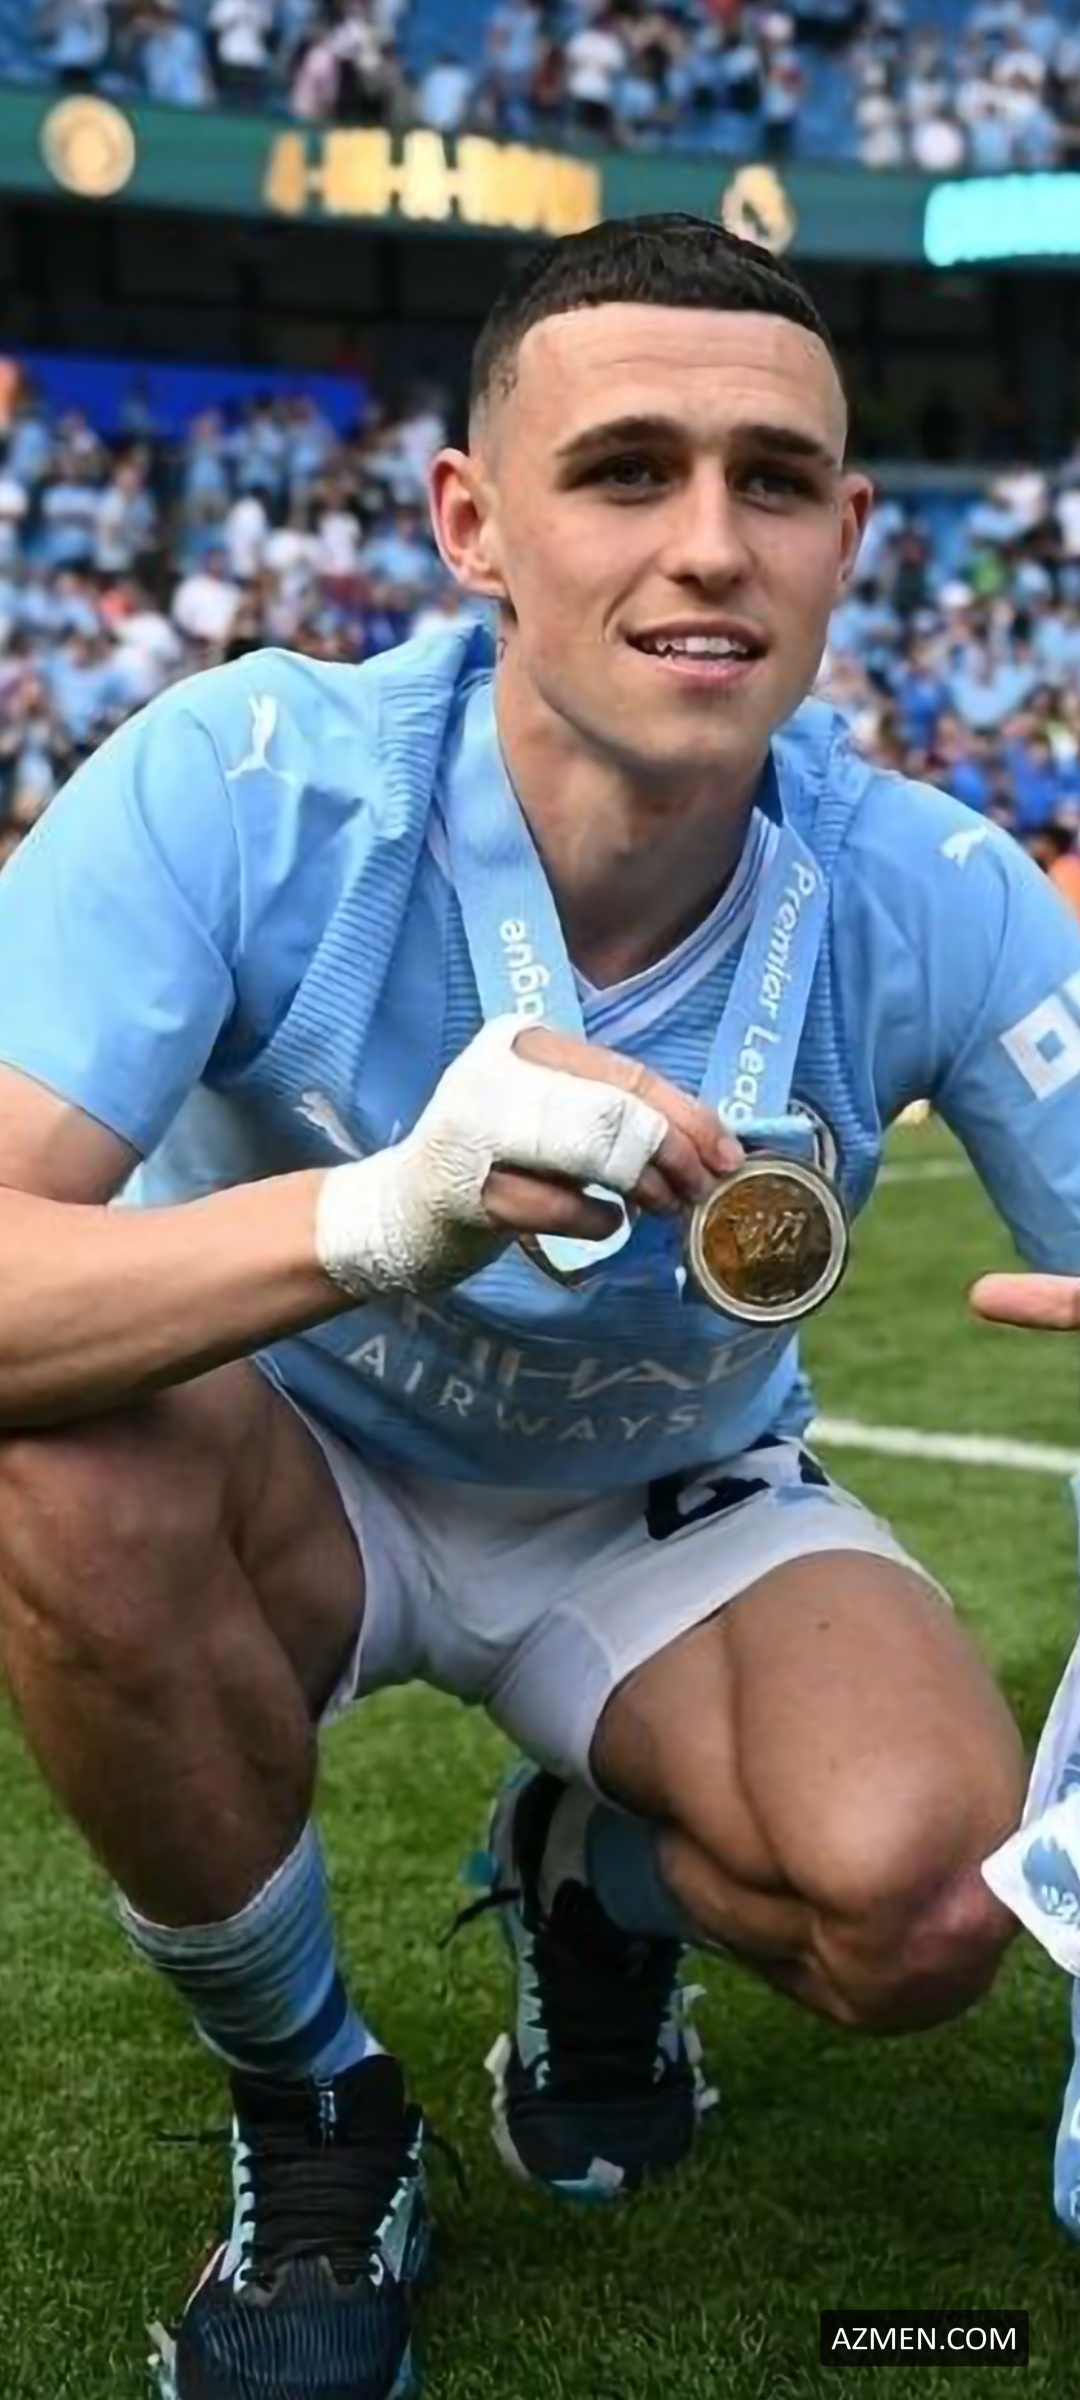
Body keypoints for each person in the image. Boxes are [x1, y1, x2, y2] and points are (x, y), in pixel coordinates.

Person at [0, 213, 1078, 2400]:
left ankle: (593, 1877)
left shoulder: (940, 885)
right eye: (627, 470)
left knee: (926, 1910)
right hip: (285, 1456)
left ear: (854, 539)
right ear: (471, 522)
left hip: (661, 1494)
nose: (711, 543)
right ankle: (316, 2101)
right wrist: (382, 1215)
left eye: (776, 482)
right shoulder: (246, 776)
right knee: (66, 1454)